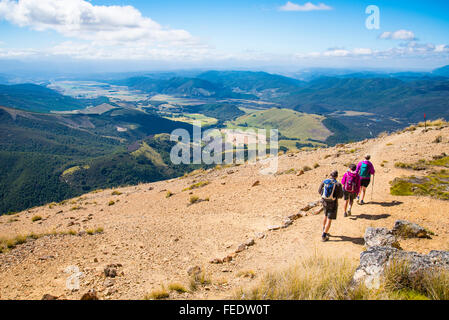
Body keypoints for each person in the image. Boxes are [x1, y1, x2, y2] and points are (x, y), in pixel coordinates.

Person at [318, 171, 343, 242]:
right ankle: (324, 235)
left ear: (330, 175)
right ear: (337, 176)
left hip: (324, 202)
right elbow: (341, 196)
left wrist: (324, 196)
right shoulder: (338, 184)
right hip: (333, 203)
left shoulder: (325, 181)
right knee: (329, 219)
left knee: (325, 215)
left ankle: (324, 229)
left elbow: (319, 191)